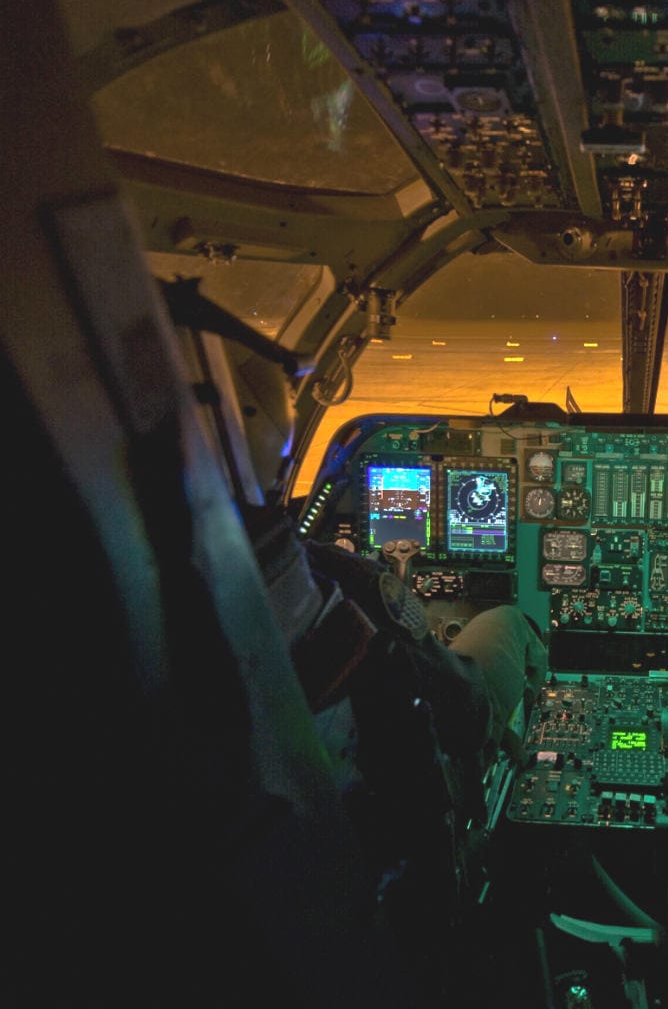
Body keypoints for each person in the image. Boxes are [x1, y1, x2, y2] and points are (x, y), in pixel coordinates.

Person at [171, 289, 547, 991]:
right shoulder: (326, 585)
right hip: (379, 833)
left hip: (264, 897)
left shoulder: (113, 595)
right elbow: (460, 715)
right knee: (509, 619)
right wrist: (432, 638)